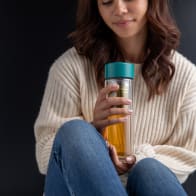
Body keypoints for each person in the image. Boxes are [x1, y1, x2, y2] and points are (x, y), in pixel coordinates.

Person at [34, 0, 196, 195]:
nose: (119, 9)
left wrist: (135, 159)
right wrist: (93, 133)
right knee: (76, 130)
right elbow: (45, 156)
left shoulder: (186, 77)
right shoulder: (70, 68)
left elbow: (188, 156)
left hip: (144, 186)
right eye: (106, 1)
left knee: (149, 169)